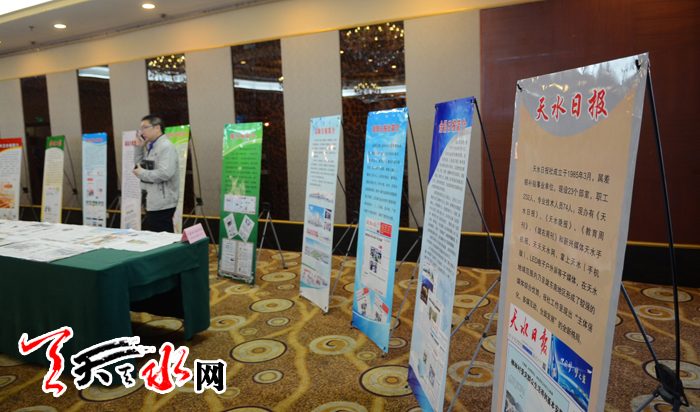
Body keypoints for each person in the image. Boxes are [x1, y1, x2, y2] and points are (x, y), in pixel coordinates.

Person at [133, 115, 179, 233]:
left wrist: (141, 173)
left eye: (145, 128)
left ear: (157, 128)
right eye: (141, 129)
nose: (141, 132)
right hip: (152, 199)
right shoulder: (153, 146)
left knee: (163, 238)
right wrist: (139, 148)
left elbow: (165, 173)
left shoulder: (166, 147)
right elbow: (139, 166)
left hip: (162, 202)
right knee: (157, 235)